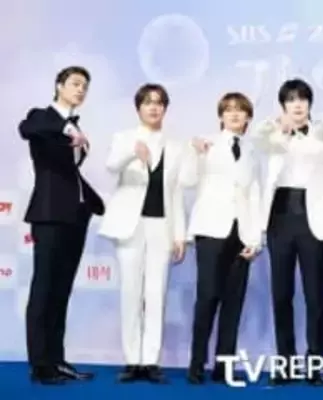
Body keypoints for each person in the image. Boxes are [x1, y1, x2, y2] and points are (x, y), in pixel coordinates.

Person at [251, 78, 323, 386]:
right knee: (281, 295)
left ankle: (315, 363)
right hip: (279, 218)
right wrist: (278, 126)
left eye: (302, 99)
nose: (297, 104)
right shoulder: (272, 135)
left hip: (313, 220)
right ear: (283, 106)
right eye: (291, 100)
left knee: (315, 296)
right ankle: (285, 362)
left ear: (310, 103)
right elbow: (257, 137)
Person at [19, 65, 105, 384]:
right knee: (44, 289)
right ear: (59, 86)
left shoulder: (74, 127)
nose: (80, 90)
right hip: (49, 214)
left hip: (75, 216)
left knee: (61, 291)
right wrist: (67, 130)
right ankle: (40, 365)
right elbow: (27, 128)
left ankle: (56, 359)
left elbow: (71, 171)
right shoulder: (42, 117)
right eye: (75, 83)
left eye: (85, 86)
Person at [98, 83, 186, 384]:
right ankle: (132, 360)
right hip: (130, 225)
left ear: (165, 109)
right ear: (138, 108)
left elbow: (176, 193)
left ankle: (150, 360)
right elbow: (111, 166)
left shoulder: (176, 146)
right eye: (148, 102)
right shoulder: (124, 138)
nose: (154, 107)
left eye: (159, 103)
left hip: (162, 225)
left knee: (156, 293)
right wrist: (131, 153)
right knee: (130, 292)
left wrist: (180, 235)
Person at [181, 92, 262, 385]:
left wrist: (255, 238)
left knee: (233, 301)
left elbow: (255, 194)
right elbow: (187, 180)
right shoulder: (206, 144)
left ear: (248, 116)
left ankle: (223, 364)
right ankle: (196, 362)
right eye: (228, 110)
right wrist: (195, 153)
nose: (234, 114)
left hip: (241, 232)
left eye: (240, 110)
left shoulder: (252, 150)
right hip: (211, 229)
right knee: (207, 297)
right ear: (221, 116)